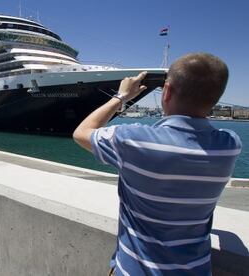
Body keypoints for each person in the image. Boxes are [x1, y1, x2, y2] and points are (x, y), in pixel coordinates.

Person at [73, 53, 241, 275]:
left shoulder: (134, 140)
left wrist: (121, 96)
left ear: (167, 91)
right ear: (216, 98)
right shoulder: (229, 145)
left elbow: (81, 133)